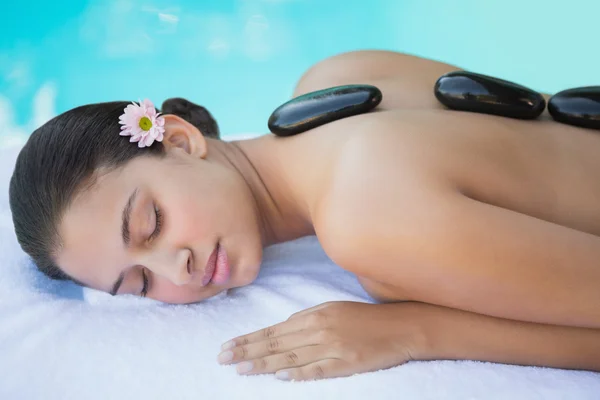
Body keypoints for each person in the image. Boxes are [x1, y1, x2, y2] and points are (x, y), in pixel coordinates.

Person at [9, 50, 600, 381]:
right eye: (140, 283)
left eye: (152, 224)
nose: (177, 267)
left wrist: (415, 330)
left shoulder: (365, 221)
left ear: (184, 140)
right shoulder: (334, 76)